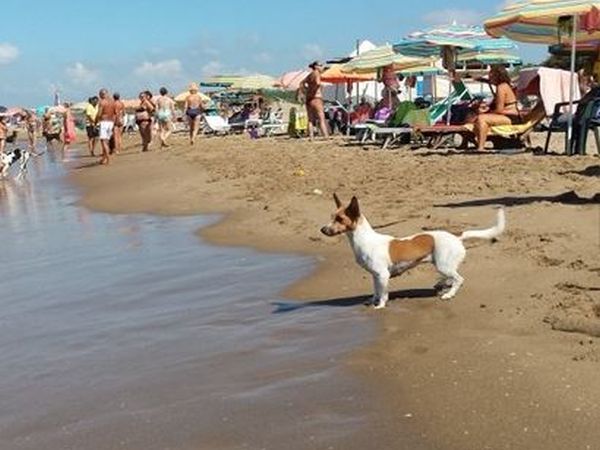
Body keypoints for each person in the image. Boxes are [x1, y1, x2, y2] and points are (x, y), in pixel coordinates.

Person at [474, 65, 519, 151]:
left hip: (511, 118)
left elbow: (499, 110)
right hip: (509, 116)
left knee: (482, 118)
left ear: (497, 76)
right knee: (480, 117)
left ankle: (480, 147)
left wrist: (487, 112)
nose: (490, 78)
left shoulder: (501, 87)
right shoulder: (504, 85)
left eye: (491, 75)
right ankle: (481, 144)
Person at [301, 61, 329, 140]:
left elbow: (302, 83)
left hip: (309, 98)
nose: (322, 67)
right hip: (316, 97)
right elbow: (317, 82)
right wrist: (320, 86)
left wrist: (307, 90)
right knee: (321, 118)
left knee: (310, 119)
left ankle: (311, 136)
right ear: (316, 66)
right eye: (321, 65)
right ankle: (325, 136)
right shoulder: (316, 73)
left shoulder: (309, 75)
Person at [95, 88, 116, 165]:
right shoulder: (112, 102)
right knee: (106, 141)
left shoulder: (102, 102)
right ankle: (104, 158)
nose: (100, 96)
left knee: (103, 141)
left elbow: (99, 114)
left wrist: (95, 121)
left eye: (100, 94)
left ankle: (107, 159)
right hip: (111, 122)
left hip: (104, 122)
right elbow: (115, 113)